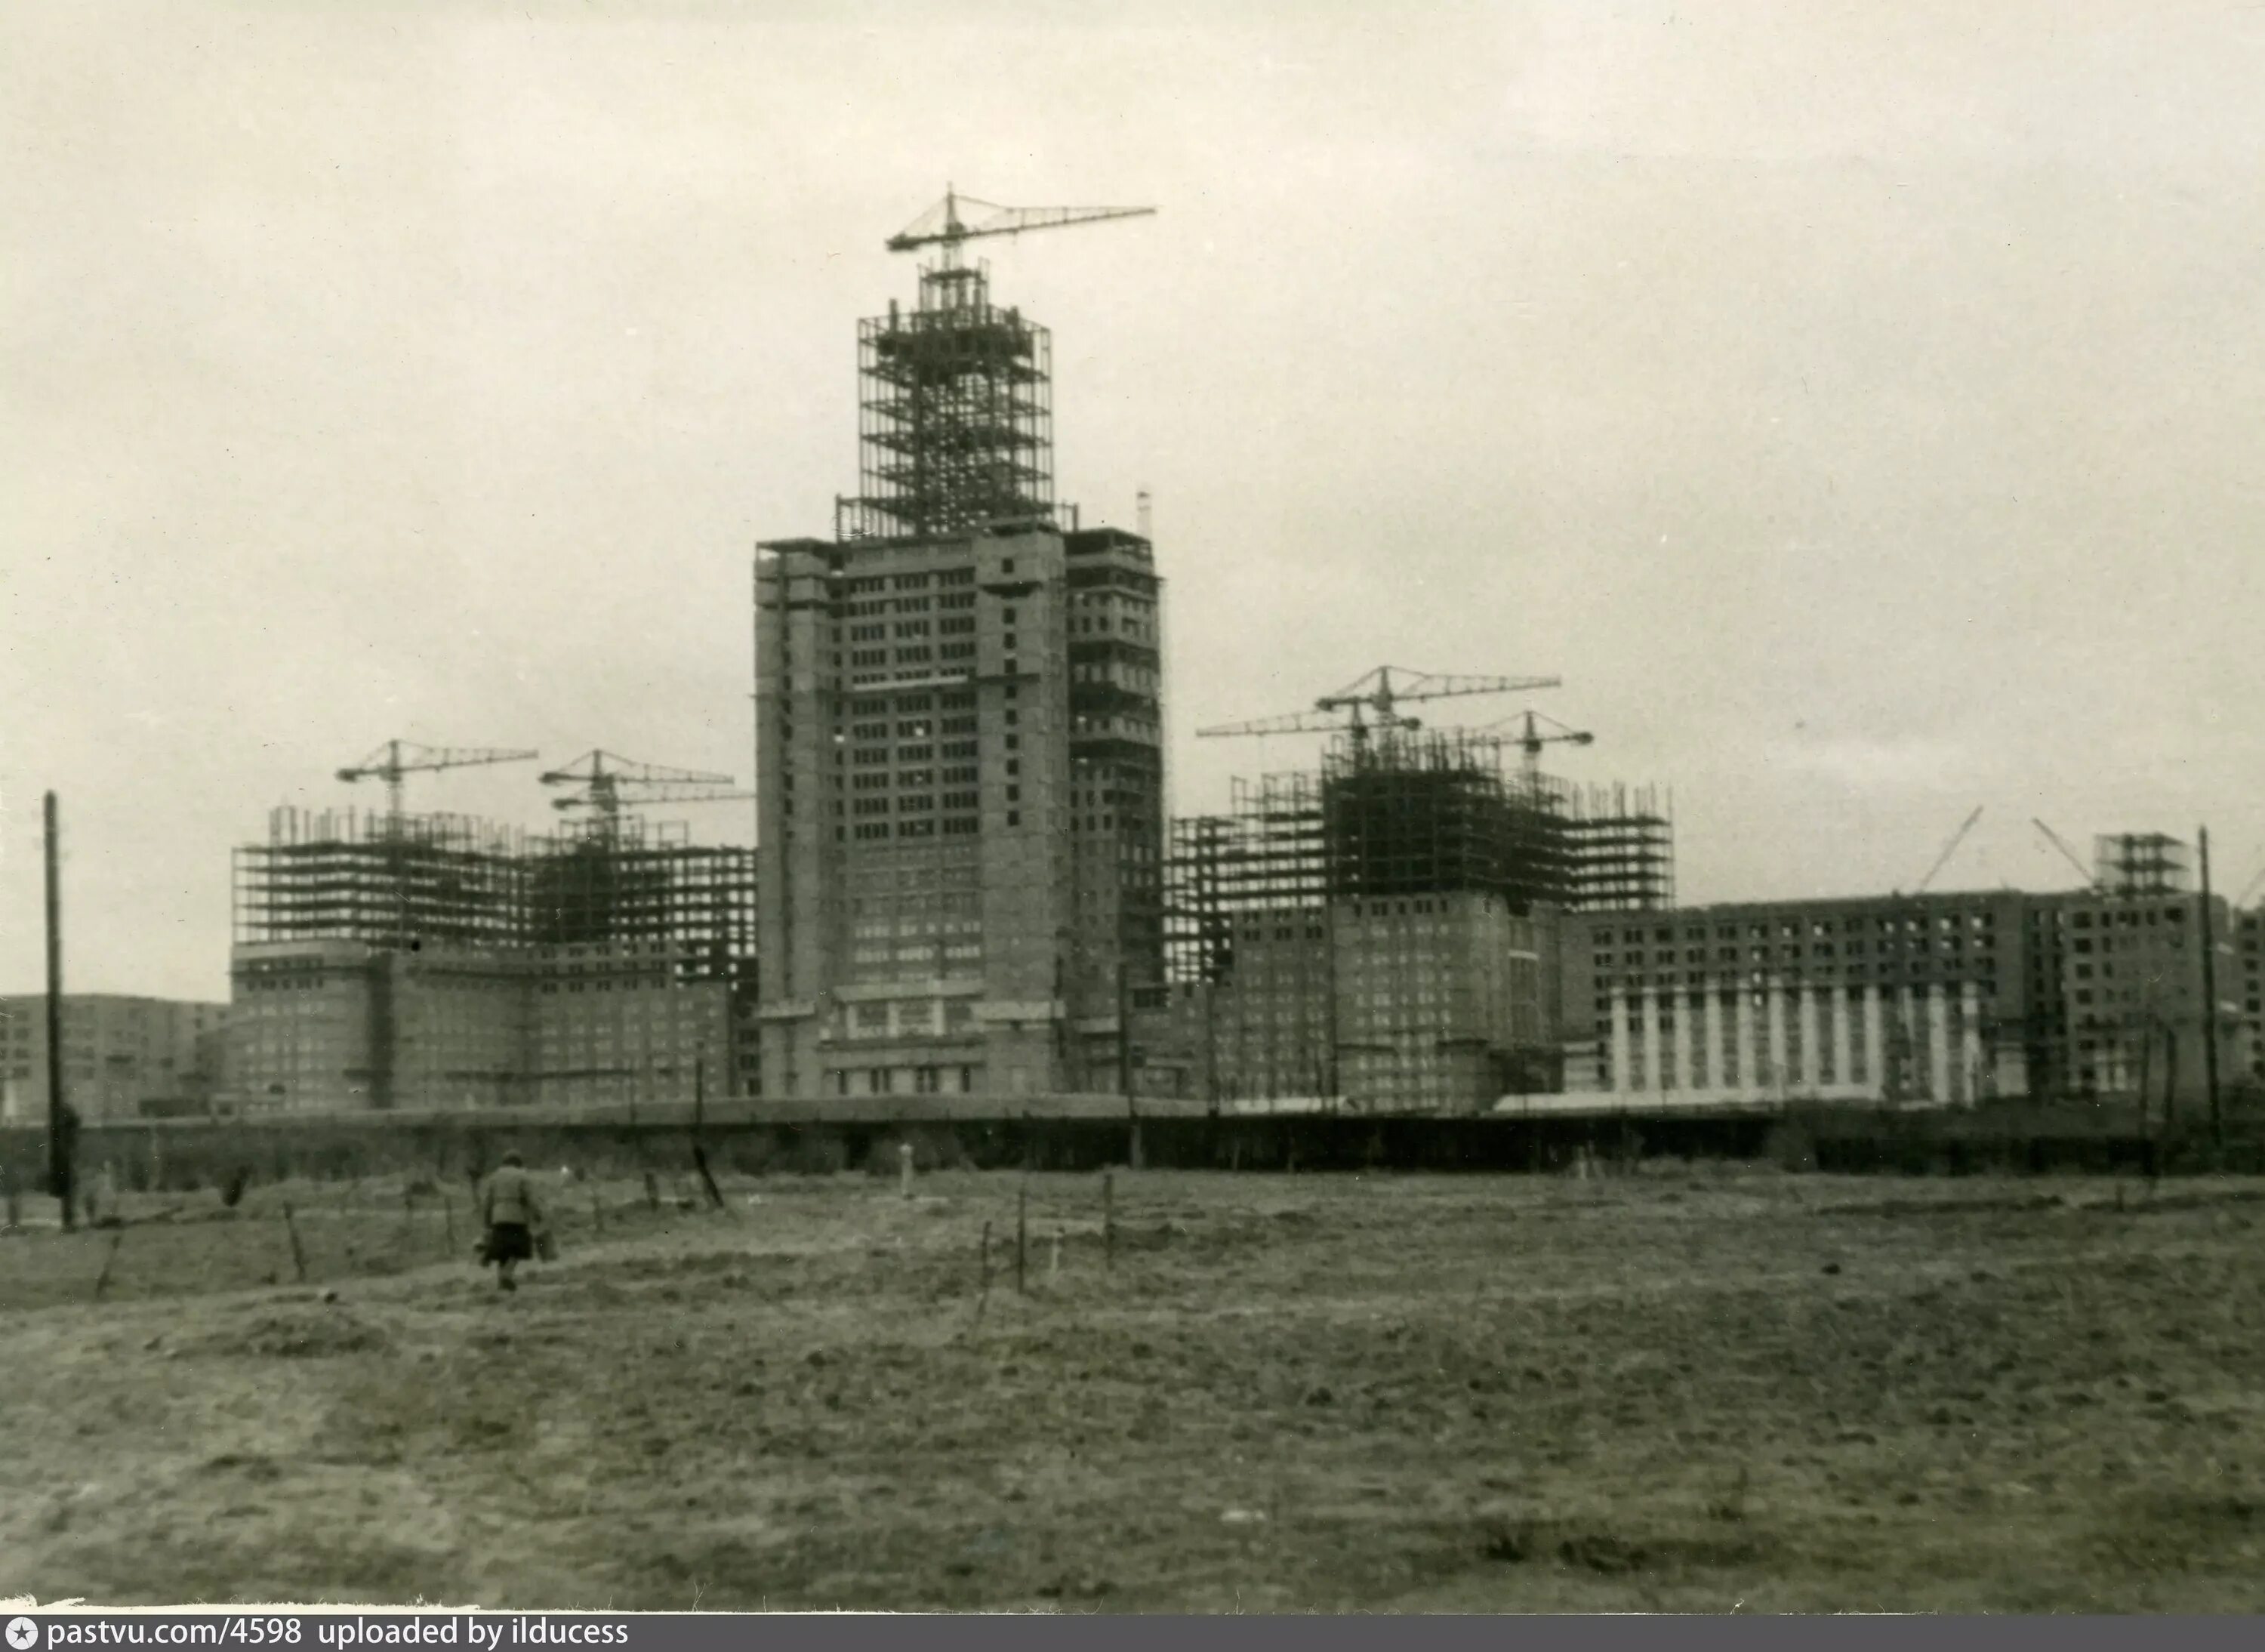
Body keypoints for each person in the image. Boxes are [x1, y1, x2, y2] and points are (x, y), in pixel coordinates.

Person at [479, 1151, 544, 1292]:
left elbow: (487, 1201)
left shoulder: (494, 1177)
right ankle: (507, 1275)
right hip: (517, 1217)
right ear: (519, 1163)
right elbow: (530, 1198)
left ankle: (501, 1281)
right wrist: (537, 1214)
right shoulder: (522, 1176)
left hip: (498, 1217)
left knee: (502, 1250)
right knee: (519, 1248)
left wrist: (487, 1220)